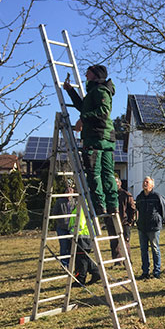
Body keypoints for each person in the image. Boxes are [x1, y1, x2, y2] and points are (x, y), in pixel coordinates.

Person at [63, 64, 118, 216]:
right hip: (102, 137)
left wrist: (83, 120)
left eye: (88, 73)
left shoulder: (100, 90)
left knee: (95, 172)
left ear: (95, 74)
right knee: (106, 173)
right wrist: (71, 91)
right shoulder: (95, 91)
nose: (85, 76)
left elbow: (103, 111)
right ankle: (112, 205)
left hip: (97, 137)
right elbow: (83, 107)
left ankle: (100, 205)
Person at [135, 176, 165, 279]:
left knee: (155, 249)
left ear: (152, 185)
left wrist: (159, 220)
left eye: (147, 182)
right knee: (143, 250)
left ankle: (156, 272)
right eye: (144, 182)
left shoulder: (157, 196)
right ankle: (145, 272)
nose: (145, 183)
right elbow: (137, 210)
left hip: (153, 227)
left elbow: (164, 209)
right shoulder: (139, 197)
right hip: (142, 227)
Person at [108, 175, 137, 265]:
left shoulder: (126, 195)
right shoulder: (109, 195)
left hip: (124, 222)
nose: (115, 184)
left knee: (125, 242)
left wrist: (130, 221)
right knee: (113, 242)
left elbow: (132, 209)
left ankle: (127, 261)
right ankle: (117, 262)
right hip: (111, 223)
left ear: (120, 183)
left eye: (116, 182)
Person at [68, 207, 101, 286]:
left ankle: (80, 279)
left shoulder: (82, 206)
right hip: (86, 236)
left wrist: (72, 234)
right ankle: (96, 272)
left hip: (81, 237)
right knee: (84, 257)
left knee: (81, 259)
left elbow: (80, 223)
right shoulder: (86, 205)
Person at [51, 184, 75, 267]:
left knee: (71, 246)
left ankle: (71, 263)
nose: (69, 193)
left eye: (71, 191)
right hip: (62, 227)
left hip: (72, 227)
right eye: (67, 191)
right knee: (64, 246)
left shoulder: (75, 201)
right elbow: (54, 213)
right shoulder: (59, 202)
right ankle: (64, 264)